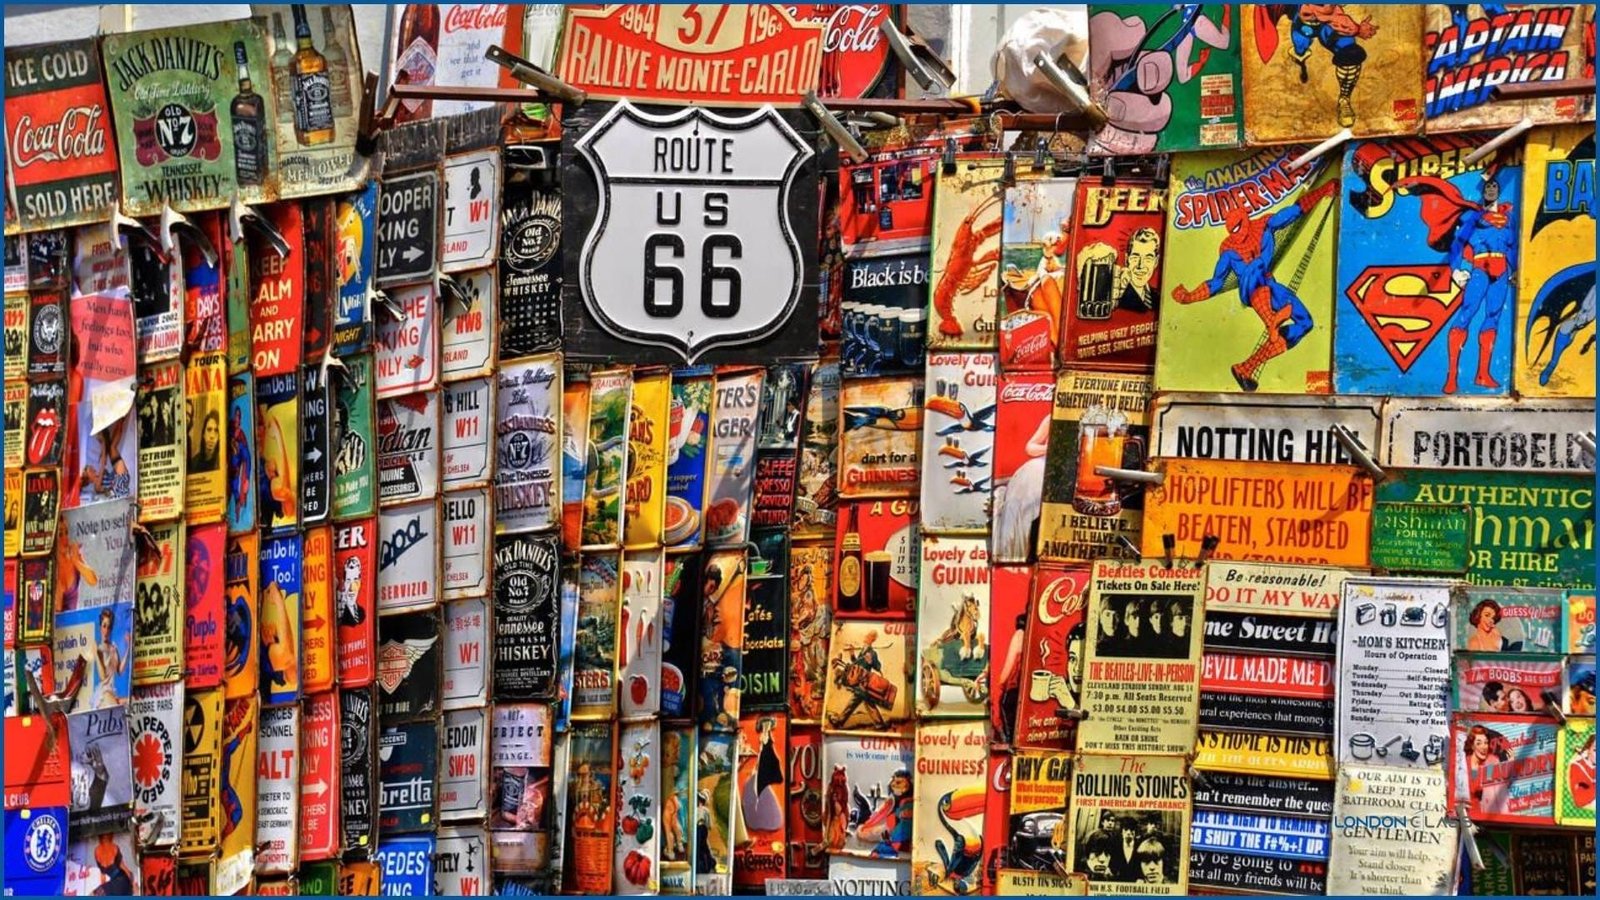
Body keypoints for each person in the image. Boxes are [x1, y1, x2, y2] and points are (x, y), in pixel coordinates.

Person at [1171, 177, 1340, 391]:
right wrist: (1189, 297)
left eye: (1239, 228)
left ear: (1246, 220)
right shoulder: (1228, 250)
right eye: (1232, 231)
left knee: (1305, 323)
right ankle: (1272, 321)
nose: (1237, 235)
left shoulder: (1264, 225)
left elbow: (1294, 211)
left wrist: (1323, 189)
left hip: (1270, 284)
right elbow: (1216, 282)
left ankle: (1246, 367)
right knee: (1255, 268)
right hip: (1251, 287)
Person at [94, 606, 127, 708]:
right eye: (104, 626)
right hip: (104, 693)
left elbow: (120, 671)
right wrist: (95, 653)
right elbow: (103, 677)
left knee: (131, 700)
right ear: (100, 626)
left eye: (109, 627)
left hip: (113, 692)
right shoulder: (98, 649)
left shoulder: (114, 647)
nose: (106, 630)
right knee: (116, 708)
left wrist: (128, 649)